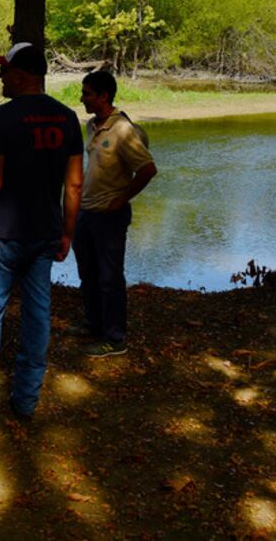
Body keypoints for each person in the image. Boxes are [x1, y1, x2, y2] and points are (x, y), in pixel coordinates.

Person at [0, 41, 83, 419]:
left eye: (4, 69)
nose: (0, 75)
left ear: (22, 75)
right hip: (45, 233)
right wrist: (67, 232)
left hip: (4, 233)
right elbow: (74, 185)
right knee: (38, 313)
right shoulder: (67, 118)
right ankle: (25, 399)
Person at [74, 69, 157, 358]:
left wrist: (122, 198)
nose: (82, 98)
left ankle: (115, 338)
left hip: (109, 216)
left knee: (110, 278)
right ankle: (93, 324)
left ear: (103, 96)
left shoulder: (122, 129)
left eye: (87, 93)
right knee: (88, 273)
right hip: (86, 212)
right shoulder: (90, 126)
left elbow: (147, 170)